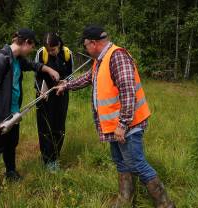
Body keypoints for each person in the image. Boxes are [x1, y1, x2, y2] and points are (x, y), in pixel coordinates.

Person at [55, 25, 175, 208]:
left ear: (94, 43)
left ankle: (165, 204)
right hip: (113, 125)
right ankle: (125, 199)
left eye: (86, 45)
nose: (85, 48)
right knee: (121, 162)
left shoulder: (117, 56)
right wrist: (67, 85)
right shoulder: (101, 60)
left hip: (127, 125)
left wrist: (123, 124)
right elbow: (89, 78)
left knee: (137, 164)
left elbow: (128, 92)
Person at [0, 28, 60, 199]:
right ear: (26, 43)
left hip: (14, 112)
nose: (32, 50)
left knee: (11, 143)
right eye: (32, 46)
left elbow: (34, 65)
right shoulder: (0, 60)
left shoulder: (17, 59)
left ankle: (10, 172)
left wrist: (49, 70)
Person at [34, 32, 73, 172]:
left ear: (59, 45)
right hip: (45, 96)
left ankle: (55, 157)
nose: (51, 52)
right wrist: (41, 90)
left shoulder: (67, 54)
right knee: (45, 127)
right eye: (49, 50)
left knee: (59, 126)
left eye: (53, 49)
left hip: (61, 94)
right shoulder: (41, 53)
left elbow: (71, 74)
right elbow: (37, 75)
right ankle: (47, 159)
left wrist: (66, 83)